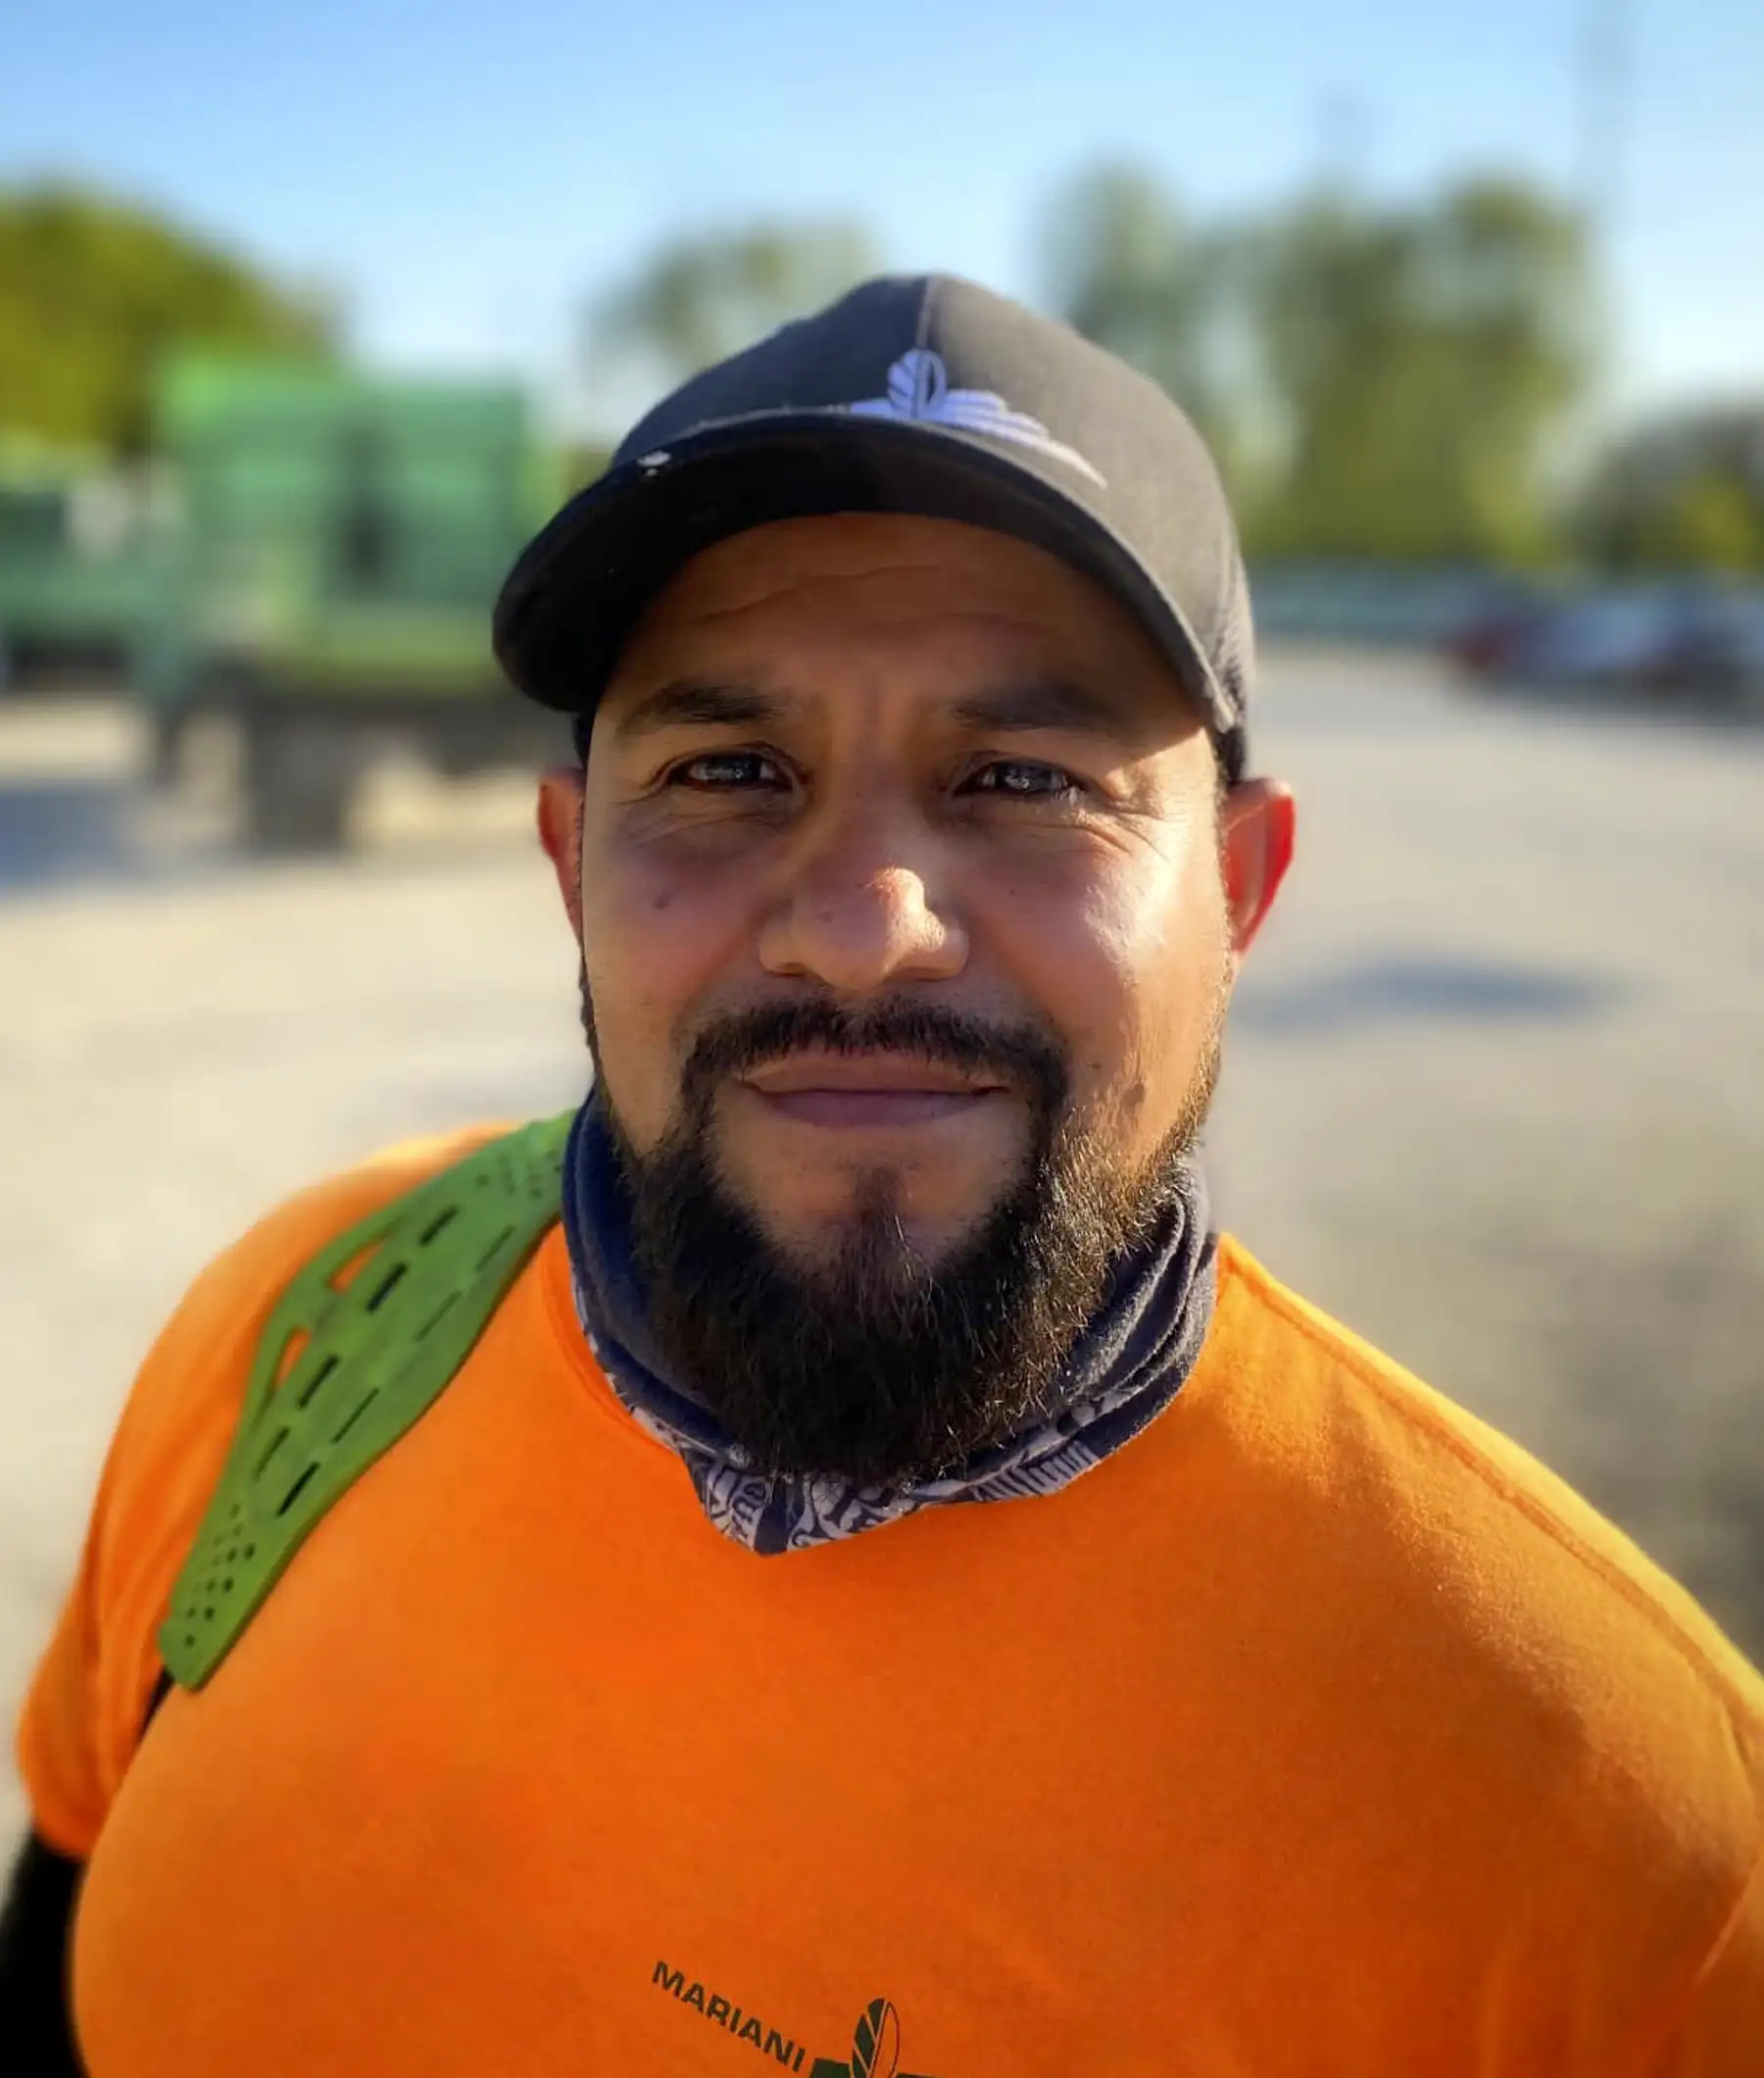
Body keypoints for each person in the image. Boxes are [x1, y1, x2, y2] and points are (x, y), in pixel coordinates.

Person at [3, 275, 1760, 2076]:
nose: (861, 933)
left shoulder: (1631, 1851)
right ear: (571, 863)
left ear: (1238, 893)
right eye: (731, 769)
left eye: (1020, 776)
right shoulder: (298, 1338)